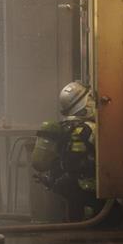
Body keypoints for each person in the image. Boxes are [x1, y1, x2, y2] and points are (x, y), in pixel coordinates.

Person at [32, 81, 112, 222]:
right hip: (87, 185)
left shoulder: (62, 127)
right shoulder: (92, 128)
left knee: (75, 210)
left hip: (62, 183)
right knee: (117, 214)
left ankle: (75, 227)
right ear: (85, 103)